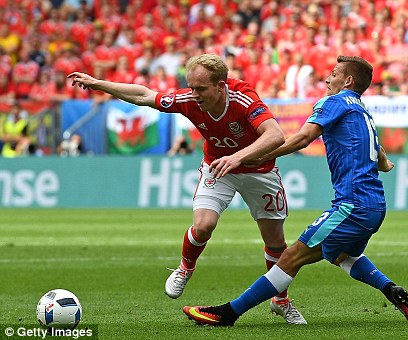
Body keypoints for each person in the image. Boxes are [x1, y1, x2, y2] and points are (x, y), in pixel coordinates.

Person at [183, 56, 408, 326]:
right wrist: (386, 164)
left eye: (333, 74)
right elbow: (380, 156)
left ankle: (228, 313)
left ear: (347, 81)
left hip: (352, 206)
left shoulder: (334, 102)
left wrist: (257, 156)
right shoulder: (363, 111)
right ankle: (393, 291)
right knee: (341, 255)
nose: (327, 79)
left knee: (291, 256)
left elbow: (302, 138)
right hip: (374, 205)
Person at [68, 54, 307, 324]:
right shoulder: (188, 100)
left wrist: (238, 157)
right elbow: (144, 95)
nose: (194, 94)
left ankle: (281, 300)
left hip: (259, 171)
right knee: (203, 225)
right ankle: (185, 268)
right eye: (190, 87)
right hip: (218, 167)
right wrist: (100, 84)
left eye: (200, 89)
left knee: (275, 242)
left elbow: (275, 134)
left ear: (221, 85)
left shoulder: (243, 98)